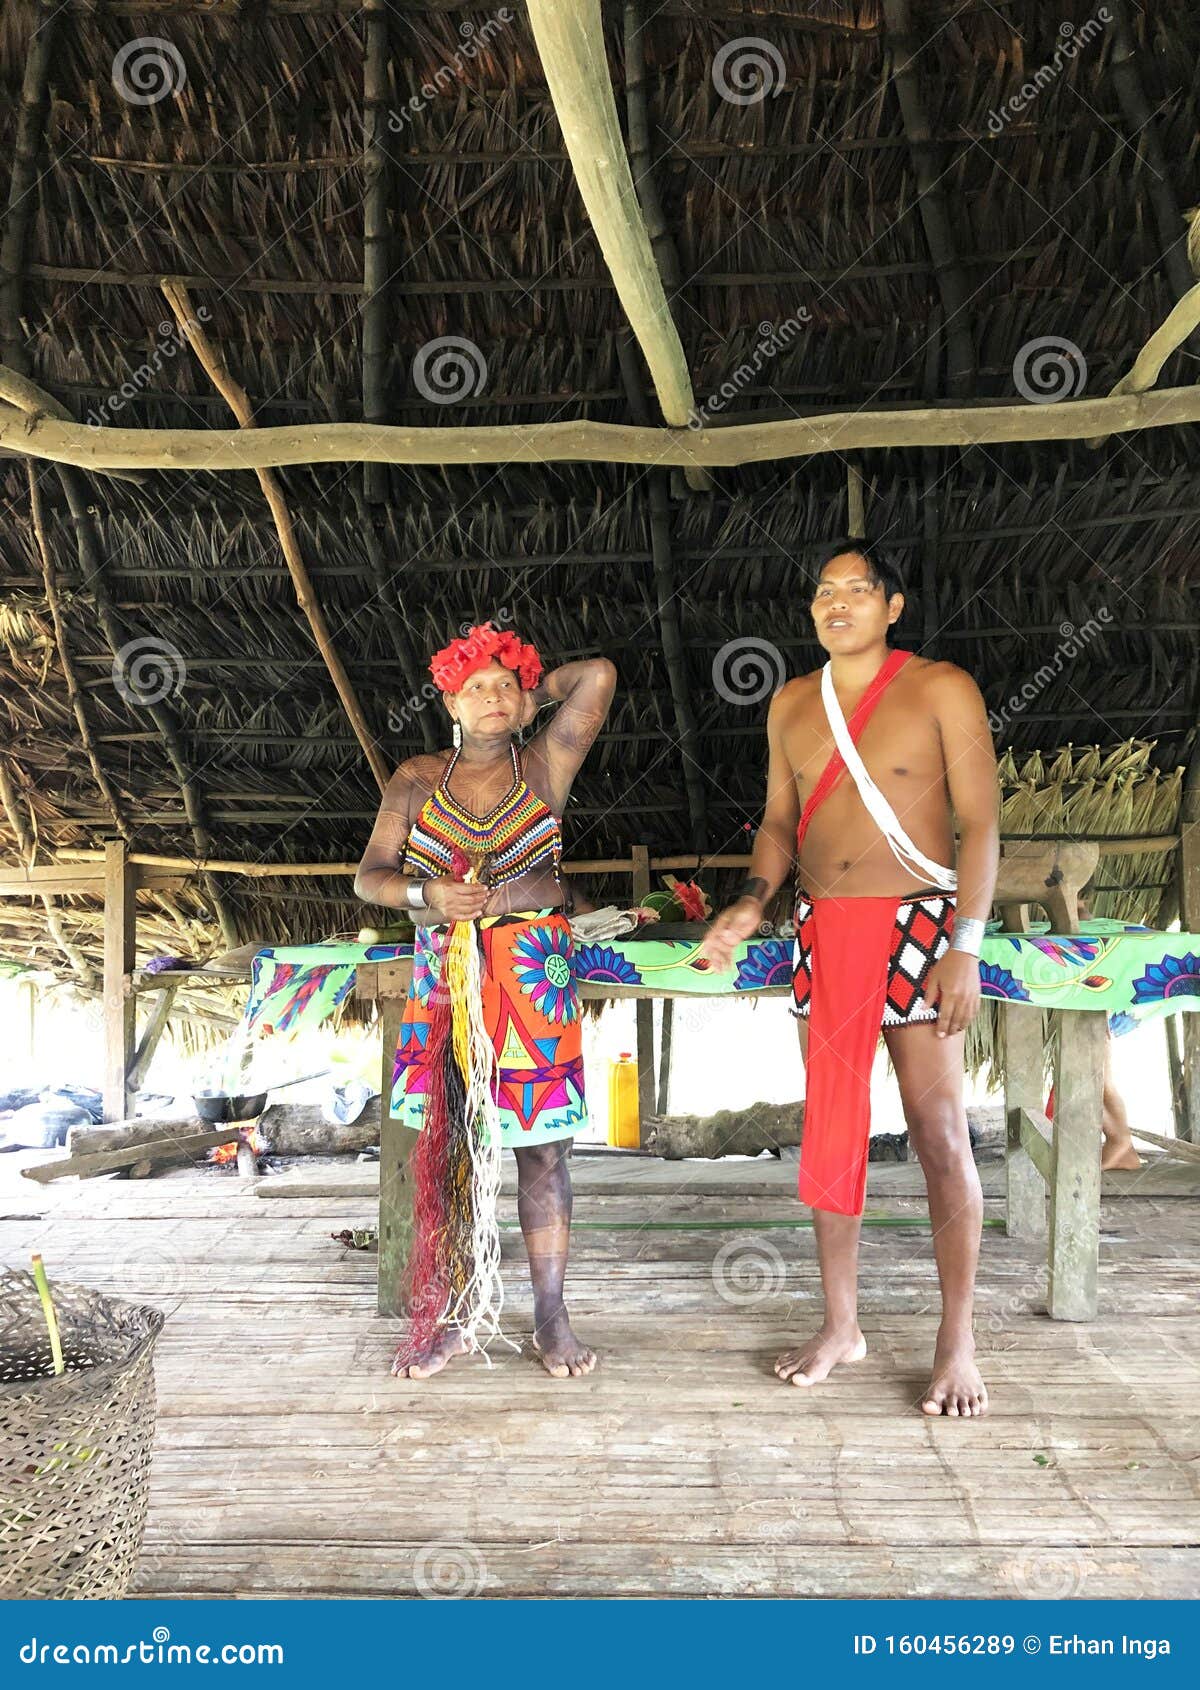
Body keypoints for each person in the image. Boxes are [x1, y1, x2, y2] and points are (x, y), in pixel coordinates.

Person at [702, 540, 1000, 1416]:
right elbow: (779, 823)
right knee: (832, 1129)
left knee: (940, 1131)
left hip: (919, 923)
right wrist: (753, 903)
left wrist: (965, 946)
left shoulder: (942, 686)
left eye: (858, 590)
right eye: (824, 592)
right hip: (825, 931)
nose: (837, 603)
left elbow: (979, 825)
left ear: (893, 605)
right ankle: (841, 1324)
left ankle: (958, 1338)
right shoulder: (793, 704)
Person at [354, 620, 616, 1380]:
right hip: (448, 975)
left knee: (543, 1153)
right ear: (450, 705)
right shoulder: (415, 778)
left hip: (533, 974)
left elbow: (596, 672)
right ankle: (452, 1317)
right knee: (452, 1151)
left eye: (506, 684)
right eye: (476, 686)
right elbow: (369, 877)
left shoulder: (545, 766)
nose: (492, 697)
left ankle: (551, 1320)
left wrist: (534, 692)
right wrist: (424, 891)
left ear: (526, 699)